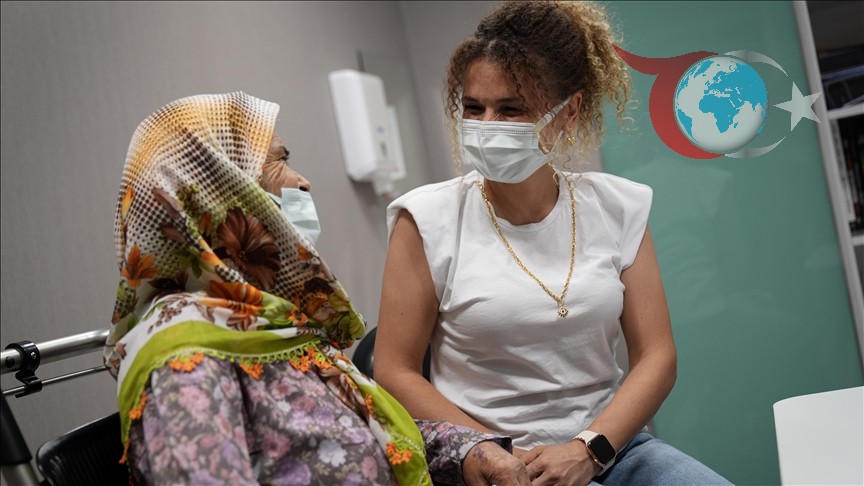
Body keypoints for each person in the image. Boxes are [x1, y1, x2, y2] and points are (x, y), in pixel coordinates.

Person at [374, 1, 732, 485]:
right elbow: (394, 370)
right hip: (491, 463)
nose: (486, 126)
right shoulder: (426, 220)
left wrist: (589, 450)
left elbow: (657, 357)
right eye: (474, 108)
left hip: (611, 449)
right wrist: (488, 451)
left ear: (569, 112)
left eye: (511, 109)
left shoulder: (618, 207)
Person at [103, 91, 531, 485]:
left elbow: (362, 428)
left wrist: (469, 450)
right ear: (217, 194)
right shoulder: (184, 365)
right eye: (278, 161)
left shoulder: (265, 320)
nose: (302, 182)